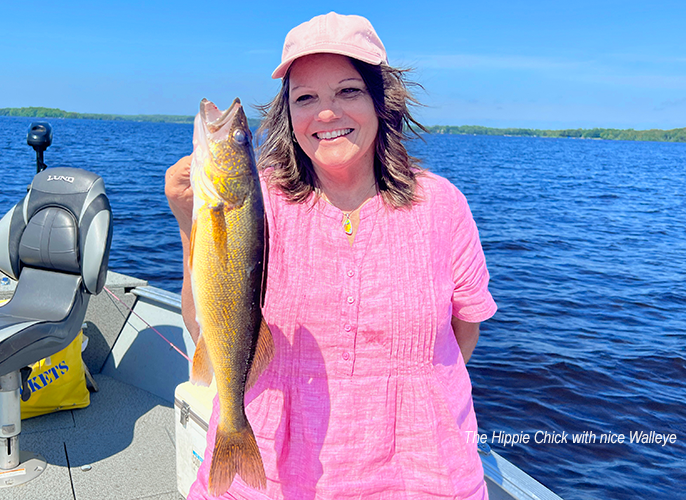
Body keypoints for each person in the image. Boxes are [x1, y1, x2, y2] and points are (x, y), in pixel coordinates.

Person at [165, 12, 497, 500]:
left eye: (347, 91)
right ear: (288, 115)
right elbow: (206, 326)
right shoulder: (260, 201)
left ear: (381, 101)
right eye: (305, 98)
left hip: (420, 474)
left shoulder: (443, 205)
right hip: (272, 474)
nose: (327, 113)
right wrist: (187, 222)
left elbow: (463, 331)